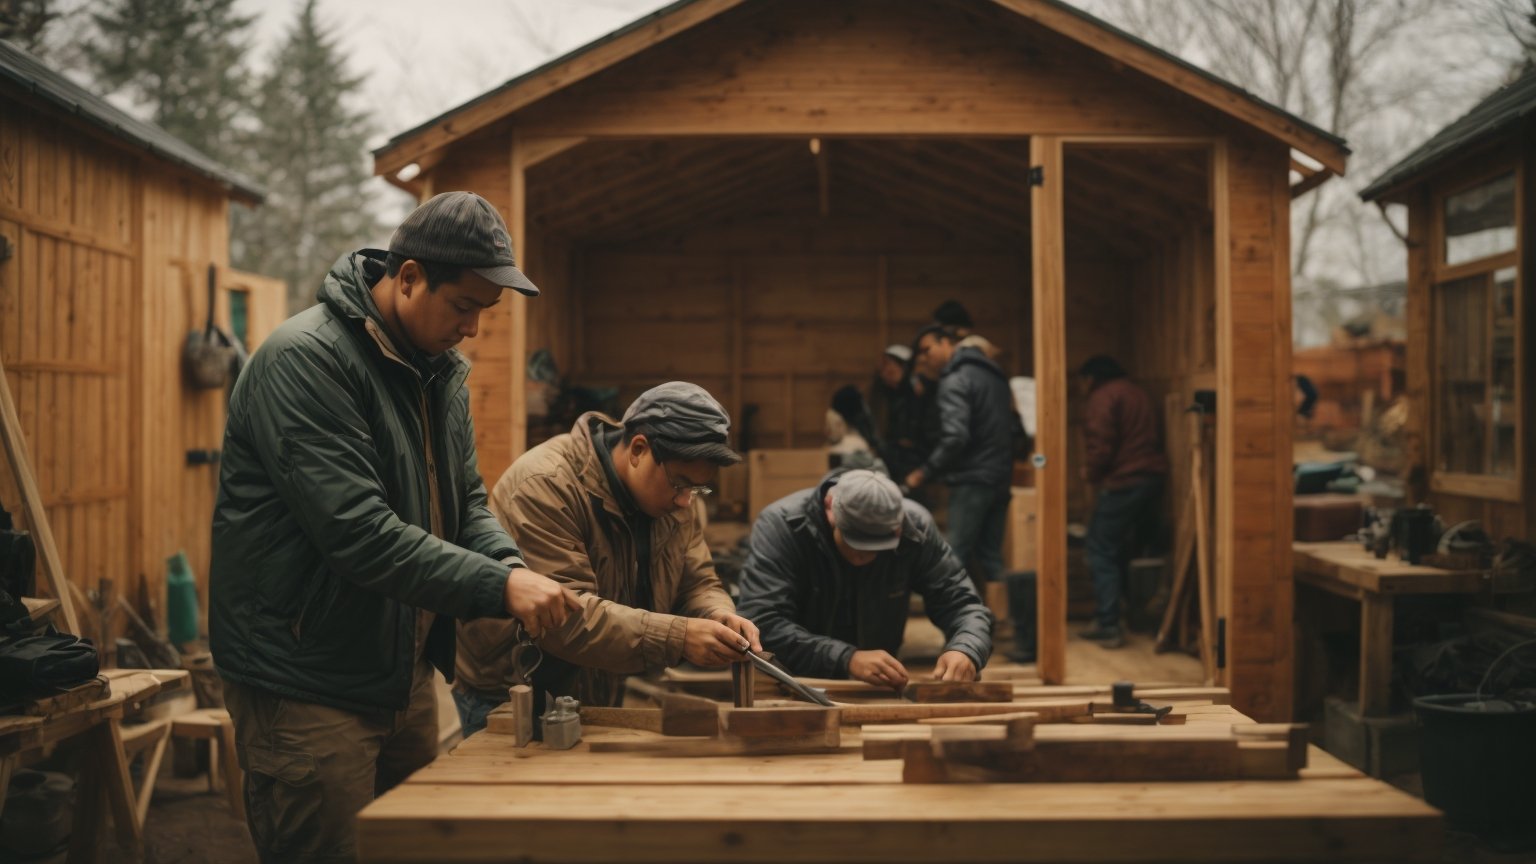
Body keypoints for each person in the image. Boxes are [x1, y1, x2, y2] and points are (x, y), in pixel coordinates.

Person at [209, 191, 580, 863]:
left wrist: (513, 567)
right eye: (463, 306)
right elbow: (360, 533)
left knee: (406, 846)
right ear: (407, 276)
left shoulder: (439, 375)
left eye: (484, 313)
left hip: (398, 668)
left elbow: (465, 503)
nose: (472, 330)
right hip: (306, 678)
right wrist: (500, 590)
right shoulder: (306, 361)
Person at [454, 382, 762, 733]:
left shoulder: (675, 498)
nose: (686, 502)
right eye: (681, 484)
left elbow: (697, 580)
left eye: (698, 488)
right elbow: (565, 620)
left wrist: (716, 613)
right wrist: (679, 637)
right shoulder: (544, 486)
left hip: (597, 693)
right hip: (514, 701)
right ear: (638, 449)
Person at [736, 469, 992, 687]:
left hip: (879, 686)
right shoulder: (783, 526)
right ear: (830, 508)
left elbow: (963, 605)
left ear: (897, 527)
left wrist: (966, 647)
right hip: (791, 683)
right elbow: (761, 622)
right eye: (855, 542)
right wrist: (846, 658)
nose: (865, 555)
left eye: (878, 545)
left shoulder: (916, 528)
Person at [904, 324, 1016, 595]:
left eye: (926, 350)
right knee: (991, 558)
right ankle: (1006, 627)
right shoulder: (996, 376)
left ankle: (960, 632)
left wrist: (924, 471)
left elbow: (955, 437)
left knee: (954, 559)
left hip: (972, 479)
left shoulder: (955, 379)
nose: (923, 358)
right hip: (1000, 477)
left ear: (946, 344)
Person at [1077, 355, 1169, 649]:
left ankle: (1108, 624)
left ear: (1091, 378)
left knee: (1099, 548)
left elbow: (1101, 443)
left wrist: (1089, 472)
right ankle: (1131, 616)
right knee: (1127, 548)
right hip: (1150, 478)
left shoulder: (1103, 397)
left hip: (1124, 481)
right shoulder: (1135, 391)